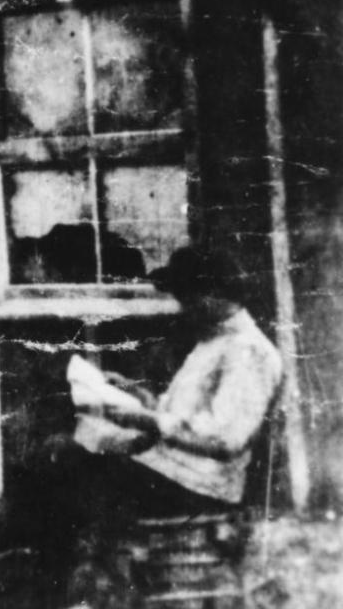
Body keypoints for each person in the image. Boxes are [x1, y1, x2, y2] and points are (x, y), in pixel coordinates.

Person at [27, 245, 283, 603]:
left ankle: (66, 593)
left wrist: (145, 420)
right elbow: (182, 414)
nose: (184, 307)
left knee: (69, 470)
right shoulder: (213, 343)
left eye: (188, 297)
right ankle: (71, 586)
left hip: (198, 486)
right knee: (58, 454)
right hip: (172, 471)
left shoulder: (248, 351)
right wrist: (137, 396)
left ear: (213, 293)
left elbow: (226, 439)